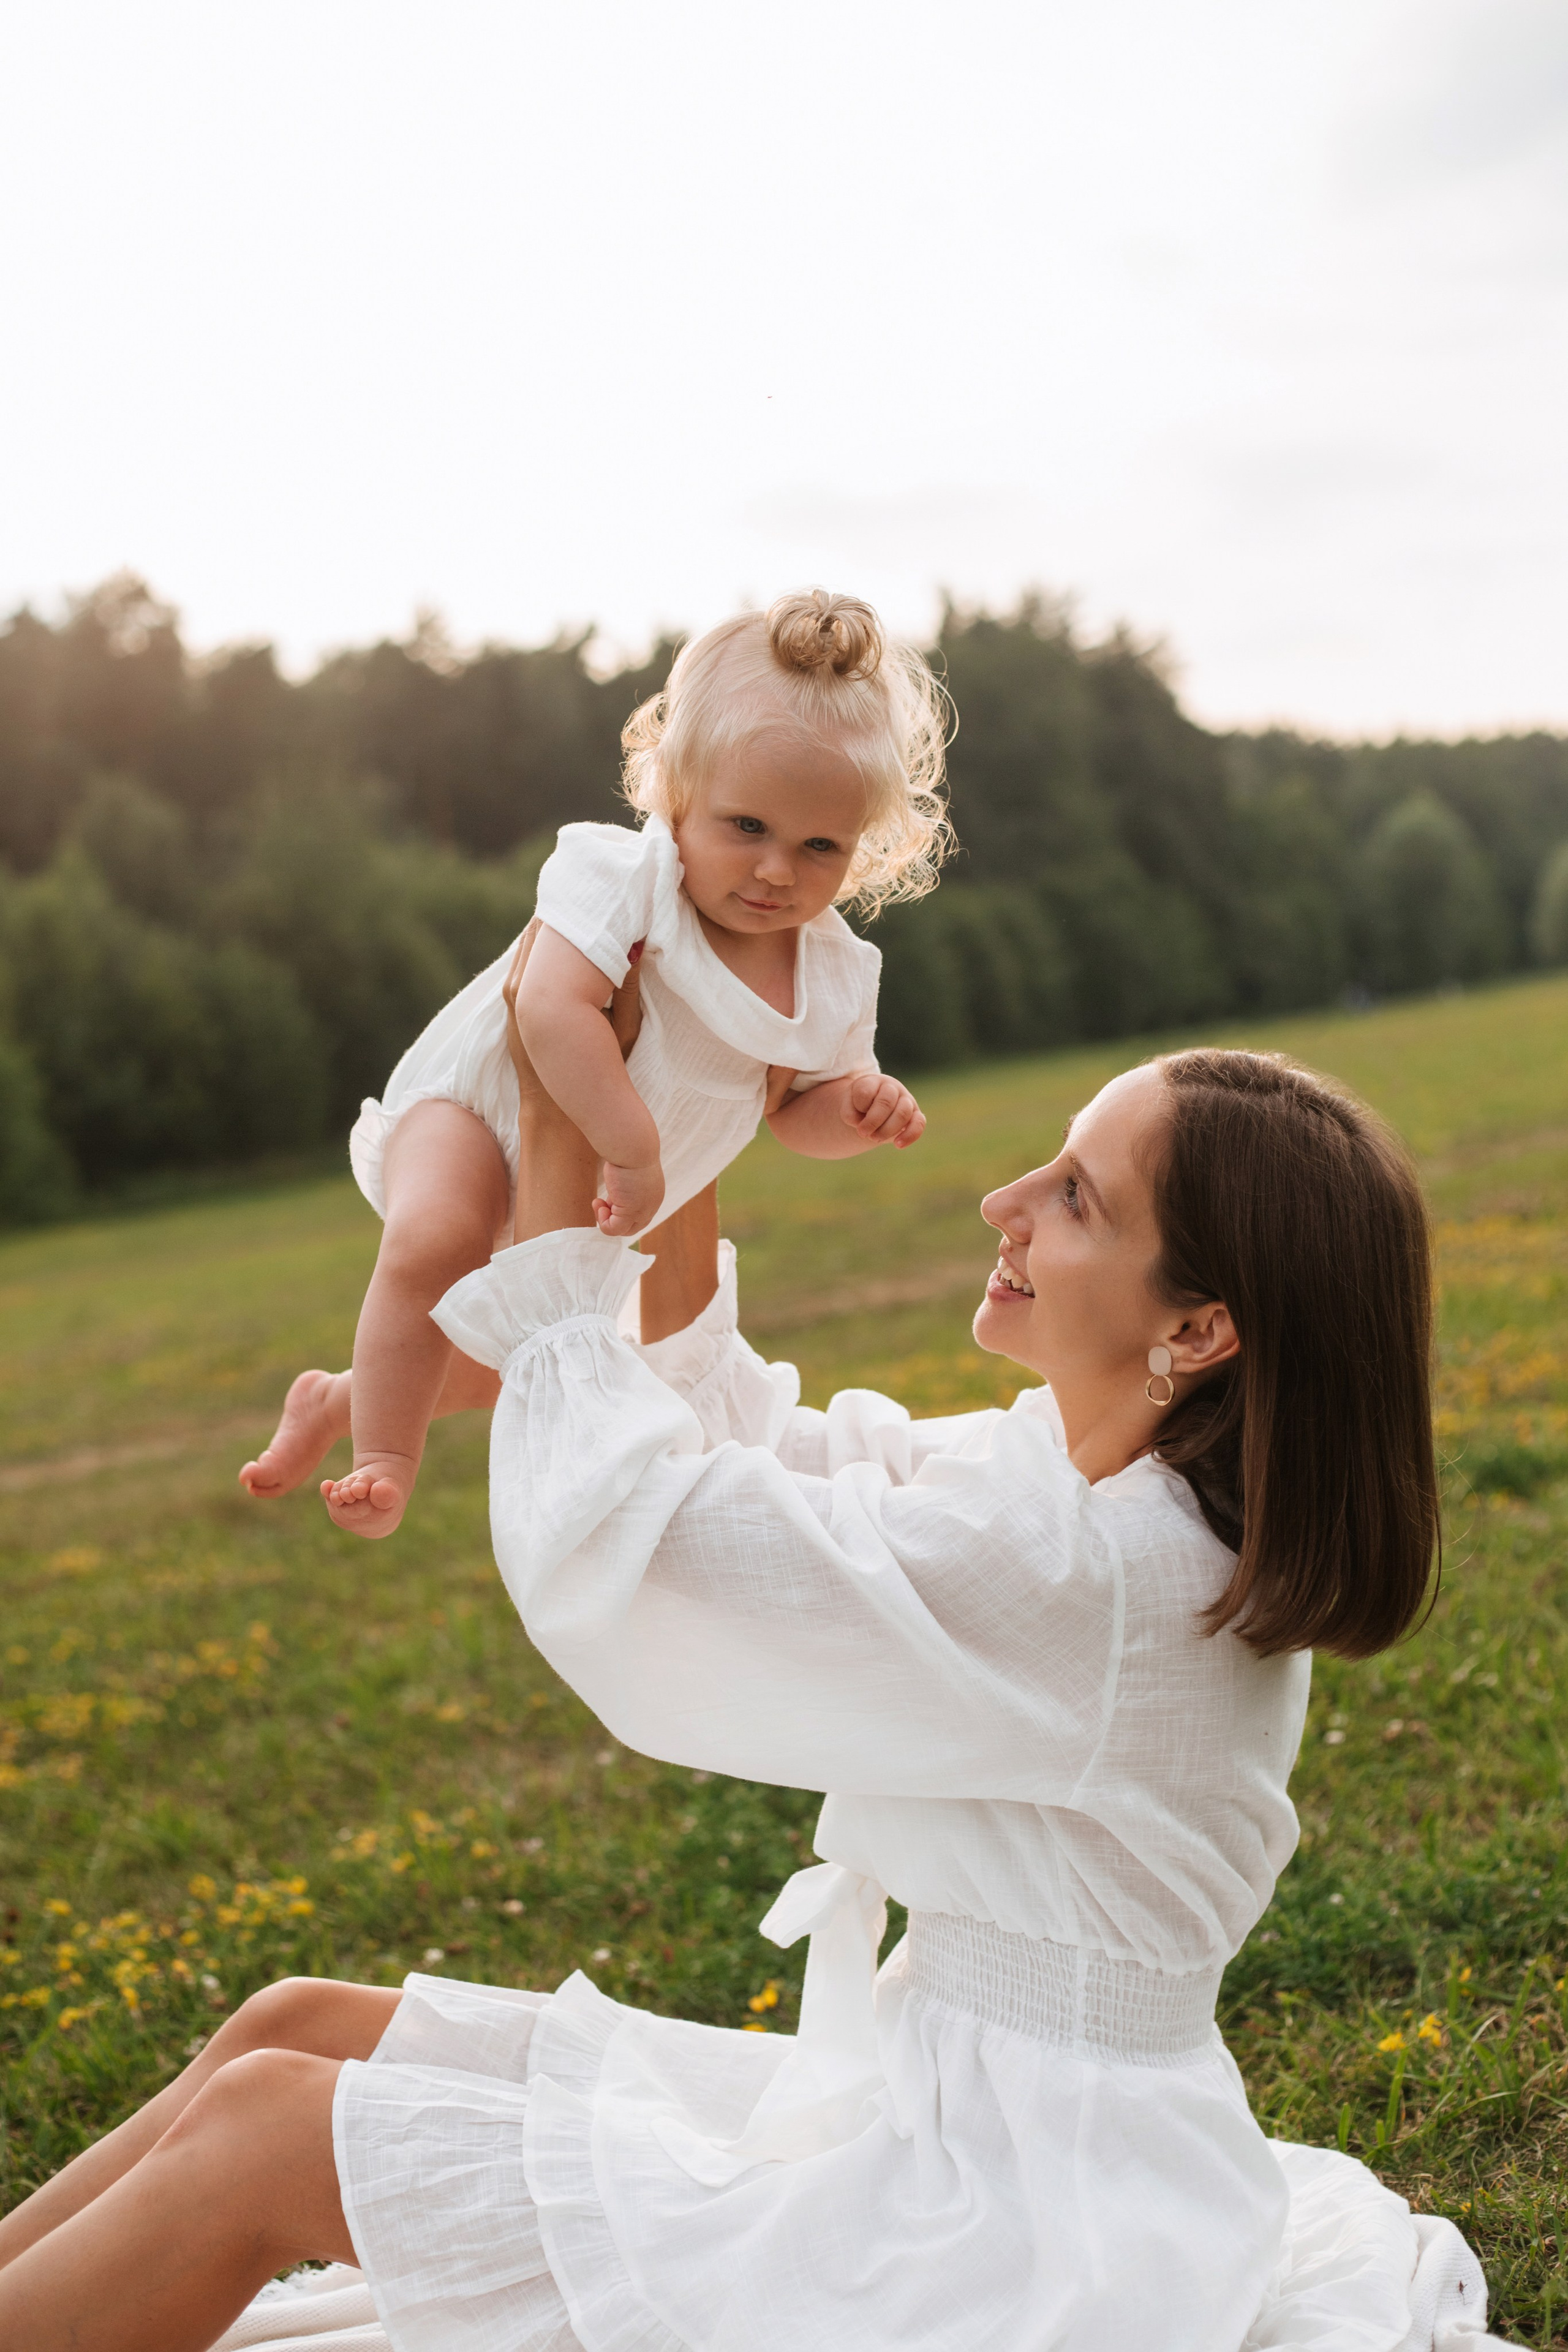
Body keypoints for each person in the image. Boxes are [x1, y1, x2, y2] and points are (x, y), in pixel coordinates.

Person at [0, 1030, 1511, 2351]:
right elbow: (774, 1457)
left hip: (1019, 2219)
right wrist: (678, 1085)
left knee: (269, 2137)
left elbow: (667, 1550)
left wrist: (559, 1198)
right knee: (299, 2028)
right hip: (958, 2113)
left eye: (1072, 1198)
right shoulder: (1084, 1488)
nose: (1003, 1202)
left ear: (1196, 1328)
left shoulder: (1097, 1572)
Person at [239, 586, 948, 1539]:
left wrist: (857, 1109)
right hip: (476, 1115)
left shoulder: (833, 974)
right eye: (747, 827)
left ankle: (335, 1399)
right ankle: (385, 1462)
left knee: (516, 1363)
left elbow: (794, 1115)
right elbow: (549, 1006)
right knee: (440, 1240)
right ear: (679, 792)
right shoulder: (625, 877)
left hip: (594, 1197)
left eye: (820, 845)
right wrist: (632, 1146)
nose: (778, 869)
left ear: (864, 847)